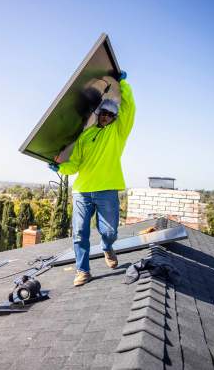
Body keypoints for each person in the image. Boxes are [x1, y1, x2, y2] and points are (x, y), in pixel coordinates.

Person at [49, 70, 135, 286]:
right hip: (82, 191)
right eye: (103, 113)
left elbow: (129, 109)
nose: (106, 116)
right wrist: (59, 167)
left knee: (109, 231)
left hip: (107, 190)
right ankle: (82, 271)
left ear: (115, 118)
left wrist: (123, 85)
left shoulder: (118, 132)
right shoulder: (85, 135)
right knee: (79, 232)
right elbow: (75, 165)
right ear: (98, 113)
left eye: (110, 114)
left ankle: (107, 247)